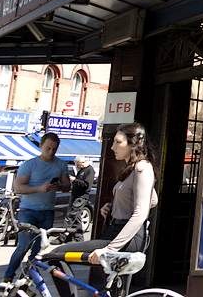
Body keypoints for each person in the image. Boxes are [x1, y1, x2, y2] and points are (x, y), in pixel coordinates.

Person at [49, 123, 158, 297]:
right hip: (115, 230)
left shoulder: (142, 168)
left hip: (127, 238)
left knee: (55, 255)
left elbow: (141, 213)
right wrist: (114, 206)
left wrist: (111, 249)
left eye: (118, 142)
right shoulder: (130, 169)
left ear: (133, 144)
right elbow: (153, 199)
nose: (113, 147)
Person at [3, 133, 70, 283]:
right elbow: (18, 188)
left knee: (38, 250)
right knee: (23, 245)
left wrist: (59, 185)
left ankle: (27, 278)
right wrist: (40, 188)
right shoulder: (30, 164)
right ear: (41, 146)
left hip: (47, 211)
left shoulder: (61, 164)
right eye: (48, 148)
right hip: (29, 210)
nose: (51, 152)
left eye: (54, 149)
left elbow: (67, 186)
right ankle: (8, 276)